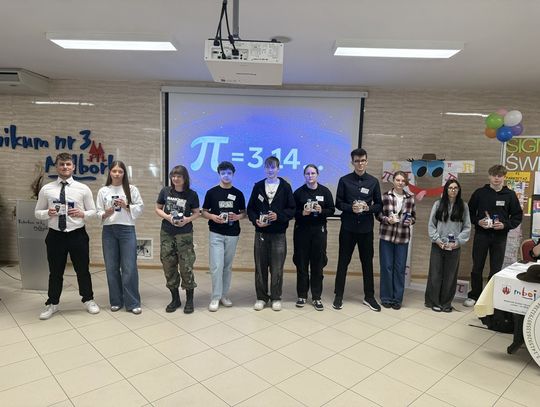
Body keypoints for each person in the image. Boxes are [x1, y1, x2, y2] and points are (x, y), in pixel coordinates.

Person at [35, 152, 99, 320]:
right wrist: (47, 213)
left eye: (68, 164)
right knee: (55, 272)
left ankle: (88, 299)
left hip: (77, 235)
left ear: (73, 167)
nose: (65, 167)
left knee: (82, 270)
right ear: (56, 167)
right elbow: (37, 212)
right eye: (62, 164)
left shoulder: (83, 189)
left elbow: (93, 212)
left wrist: (82, 213)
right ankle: (52, 303)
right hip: (55, 236)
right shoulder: (47, 189)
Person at [464, 165, 523, 307]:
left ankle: (490, 298)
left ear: (504, 177)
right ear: (489, 176)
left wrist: (505, 225)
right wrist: (478, 221)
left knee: (496, 268)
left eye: (500, 176)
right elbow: (468, 213)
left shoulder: (510, 195)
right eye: (494, 175)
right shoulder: (480, 193)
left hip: (500, 237)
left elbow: (517, 216)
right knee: (477, 266)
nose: (497, 178)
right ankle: (474, 295)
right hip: (481, 235)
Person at [333, 148, 382, 311]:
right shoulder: (344, 180)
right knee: (343, 262)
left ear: (366, 161)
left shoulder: (373, 182)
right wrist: (350, 208)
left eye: (363, 161)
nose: (360, 164)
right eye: (357, 161)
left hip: (366, 229)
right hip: (348, 228)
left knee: (367, 263)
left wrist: (368, 208)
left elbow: (379, 205)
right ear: (352, 162)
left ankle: (369, 297)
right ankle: (338, 295)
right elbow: (338, 203)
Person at [247, 156, 295, 311]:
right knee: (260, 267)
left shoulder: (285, 187)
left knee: (277, 268)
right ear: (264, 169)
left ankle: (275, 297)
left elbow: (292, 209)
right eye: (267, 167)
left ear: (278, 169)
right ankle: (261, 297)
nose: (270, 170)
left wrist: (278, 216)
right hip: (261, 233)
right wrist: (256, 221)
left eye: (273, 167)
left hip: (278, 234)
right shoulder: (258, 186)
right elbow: (250, 209)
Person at [96, 161, 144, 314]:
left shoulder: (131, 189)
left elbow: (140, 208)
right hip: (109, 230)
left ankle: (133, 302)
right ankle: (116, 300)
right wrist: (106, 213)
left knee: (129, 267)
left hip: (127, 230)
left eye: (120, 171)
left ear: (124, 173)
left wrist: (126, 206)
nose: (117, 174)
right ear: (110, 172)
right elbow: (98, 211)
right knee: (111, 267)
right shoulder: (103, 191)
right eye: (114, 171)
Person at [201, 161, 246, 312]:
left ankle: (224, 296)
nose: (226, 176)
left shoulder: (238, 194)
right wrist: (213, 217)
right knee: (216, 266)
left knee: (227, 267)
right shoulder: (211, 192)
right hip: (216, 233)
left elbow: (244, 213)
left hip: (233, 234)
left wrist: (237, 217)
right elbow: (204, 212)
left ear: (233, 174)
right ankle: (215, 297)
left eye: (229, 173)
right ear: (219, 174)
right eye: (223, 173)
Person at [155, 165, 200, 314]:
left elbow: (196, 213)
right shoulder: (165, 191)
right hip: (167, 233)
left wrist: (187, 220)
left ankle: (189, 300)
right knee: (168, 265)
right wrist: (168, 217)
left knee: (186, 266)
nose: (175, 179)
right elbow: (158, 208)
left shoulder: (192, 194)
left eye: (179, 176)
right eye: (173, 176)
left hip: (184, 234)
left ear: (185, 178)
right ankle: (175, 299)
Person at [293, 164, 335, 311]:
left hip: (319, 231)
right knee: (301, 263)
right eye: (307, 173)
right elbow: (291, 211)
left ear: (317, 175)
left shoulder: (325, 191)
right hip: (302, 231)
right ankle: (302, 295)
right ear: (304, 175)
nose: (310, 176)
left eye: (313, 173)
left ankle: (316, 296)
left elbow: (332, 210)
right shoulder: (298, 193)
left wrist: (321, 210)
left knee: (318, 264)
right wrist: (302, 213)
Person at [425, 179, 471, 312]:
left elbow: (467, 227)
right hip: (438, 245)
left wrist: (458, 242)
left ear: (459, 190)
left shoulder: (463, 206)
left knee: (450, 275)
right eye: (450, 188)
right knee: (435, 274)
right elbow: (431, 225)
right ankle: (434, 301)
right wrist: (437, 240)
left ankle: (446, 303)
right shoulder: (438, 204)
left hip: (454, 247)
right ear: (446, 189)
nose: (453, 190)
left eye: (455, 188)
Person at [377, 171, 415, 310]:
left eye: (402, 180)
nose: (400, 182)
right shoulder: (385, 196)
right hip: (386, 236)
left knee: (399, 269)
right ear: (393, 181)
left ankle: (397, 299)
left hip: (402, 237)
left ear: (405, 182)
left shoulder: (410, 198)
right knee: (386, 267)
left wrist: (411, 220)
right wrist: (387, 219)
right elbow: (378, 214)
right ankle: (386, 297)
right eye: (397, 180)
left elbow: (414, 217)